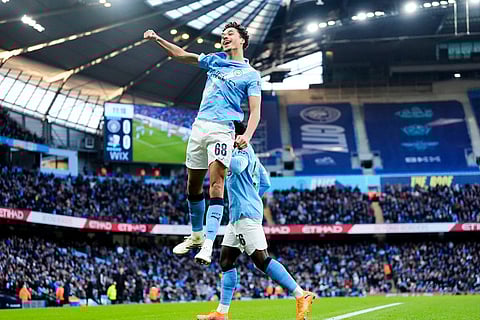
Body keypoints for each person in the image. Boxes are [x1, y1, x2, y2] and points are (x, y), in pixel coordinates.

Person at [144, 21, 262, 264]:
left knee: (216, 185)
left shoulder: (251, 75)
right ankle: (196, 235)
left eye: (230, 34)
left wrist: (246, 135)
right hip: (199, 127)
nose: (225, 37)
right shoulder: (214, 60)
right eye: (223, 34)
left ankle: (208, 244)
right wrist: (157, 38)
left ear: (242, 41)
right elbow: (181, 55)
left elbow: (255, 110)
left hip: (222, 130)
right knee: (192, 186)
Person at [197, 122, 315, 320]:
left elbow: (238, 165)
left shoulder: (242, 150)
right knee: (226, 260)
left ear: (236, 135)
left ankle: (301, 294)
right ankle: (222, 313)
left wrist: (220, 153)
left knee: (261, 260)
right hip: (238, 217)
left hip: (245, 215)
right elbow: (266, 182)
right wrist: (252, 197)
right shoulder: (252, 155)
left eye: (228, 134)